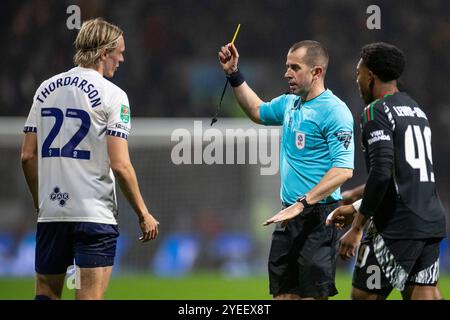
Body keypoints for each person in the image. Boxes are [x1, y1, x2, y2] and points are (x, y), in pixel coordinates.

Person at [20, 18, 159, 300]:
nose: (122, 58)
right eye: (119, 51)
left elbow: (26, 156)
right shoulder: (113, 95)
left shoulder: (45, 89)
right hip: (93, 218)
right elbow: (120, 165)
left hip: (53, 216)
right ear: (103, 51)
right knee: (88, 297)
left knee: (46, 293)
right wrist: (143, 213)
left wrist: (40, 202)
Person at [218, 40, 354, 299]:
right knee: (282, 296)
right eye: (286, 66)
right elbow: (257, 110)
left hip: (319, 217)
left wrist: (304, 203)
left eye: (295, 67)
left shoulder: (335, 112)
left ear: (316, 72)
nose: (287, 73)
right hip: (289, 215)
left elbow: (343, 170)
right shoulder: (290, 103)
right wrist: (233, 73)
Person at [326, 42, 447, 300]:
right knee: (425, 295)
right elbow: (403, 174)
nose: (357, 80)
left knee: (363, 296)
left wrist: (357, 227)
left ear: (370, 75)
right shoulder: (416, 110)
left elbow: (382, 172)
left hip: (398, 225)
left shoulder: (376, 111)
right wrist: (356, 196)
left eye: (358, 73)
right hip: (430, 221)